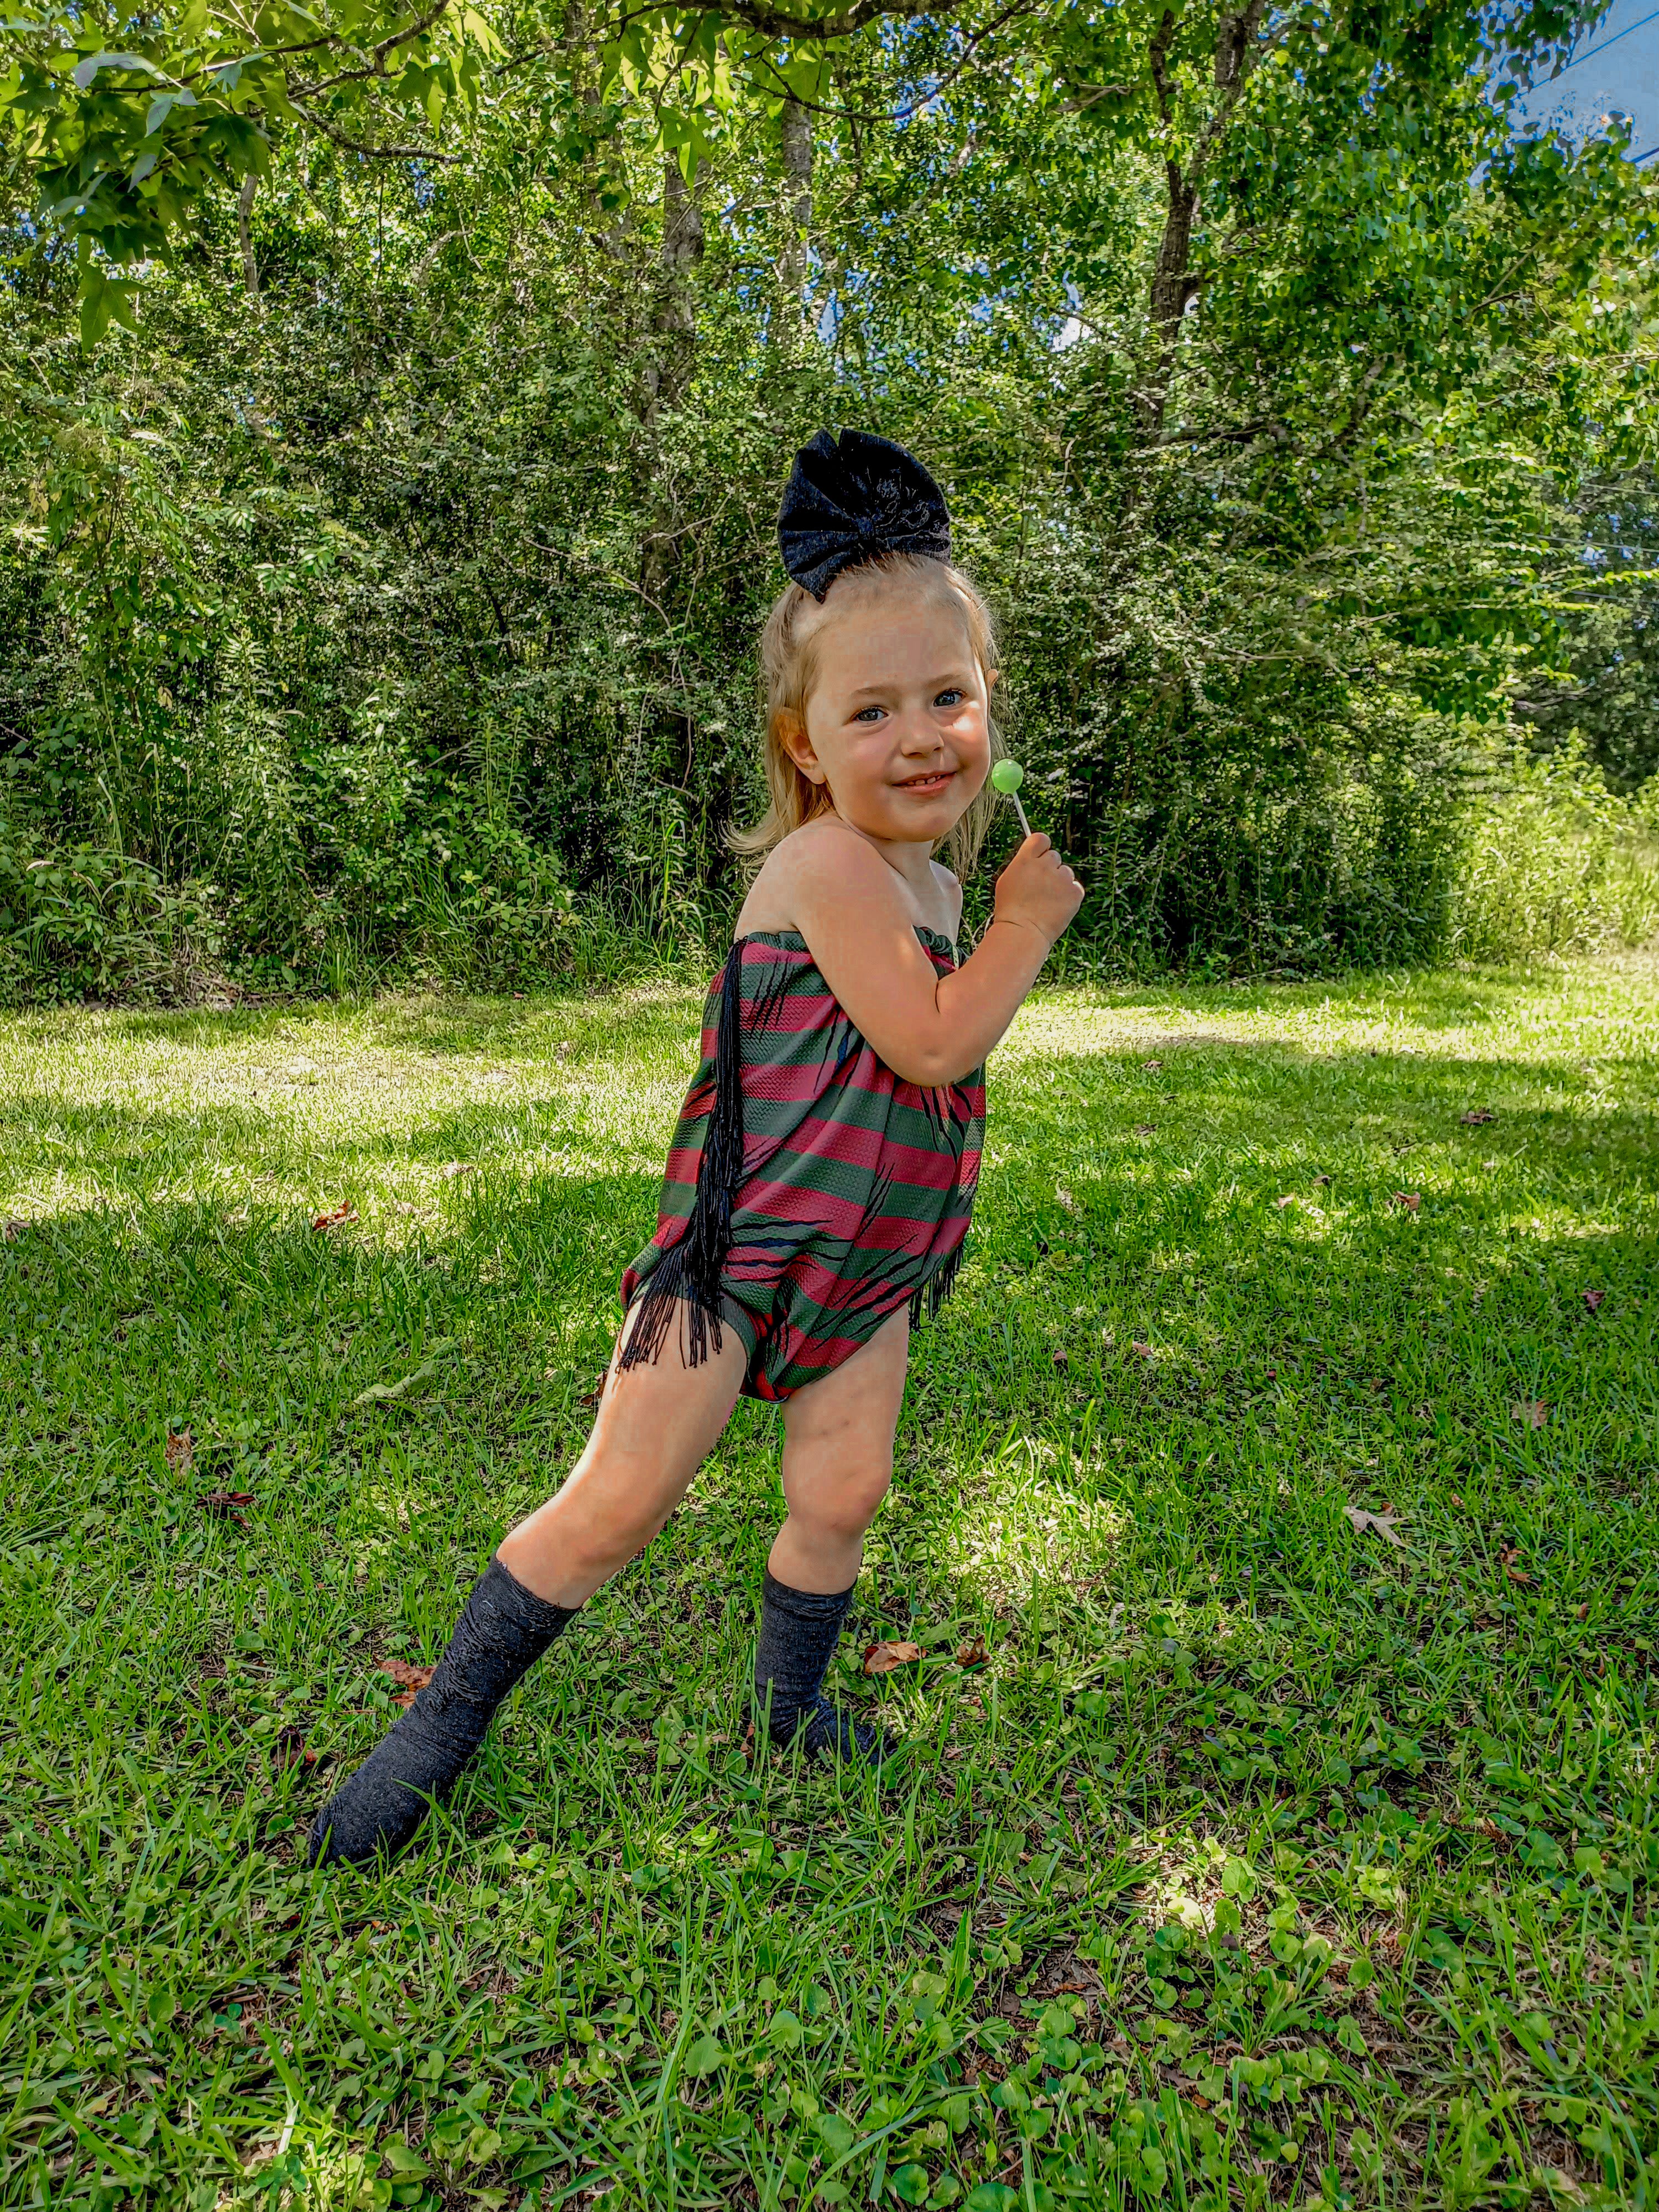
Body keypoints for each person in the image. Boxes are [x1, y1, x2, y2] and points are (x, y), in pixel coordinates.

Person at [309, 429, 1083, 1868]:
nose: (921, 735)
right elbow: (932, 1042)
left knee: (843, 1489)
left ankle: (789, 1702)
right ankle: (431, 1739)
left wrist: (986, 913)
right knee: (618, 1502)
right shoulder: (827, 866)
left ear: (990, 712)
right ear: (805, 745)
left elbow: (910, 1063)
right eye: (873, 711)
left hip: (864, 1252)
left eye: (951, 698)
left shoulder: (925, 871)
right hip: (735, 1256)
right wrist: (1028, 930)